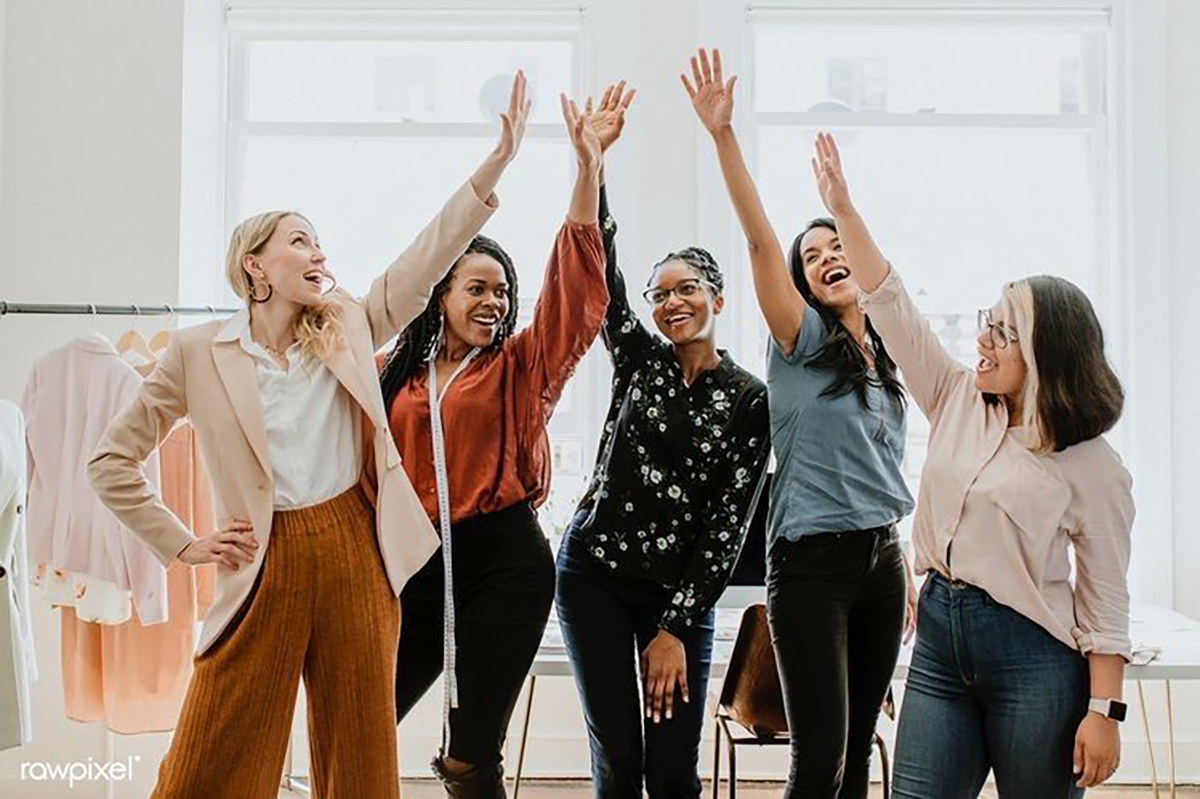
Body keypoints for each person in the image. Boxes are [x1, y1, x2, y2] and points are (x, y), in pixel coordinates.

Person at [86, 71, 531, 799]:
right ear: (254, 265)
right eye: (300, 241)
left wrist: (496, 163)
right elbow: (111, 460)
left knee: (359, 755)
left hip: (355, 548)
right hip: (260, 557)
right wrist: (183, 541)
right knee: (210, 754)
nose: (319, 253)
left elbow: (425, 259)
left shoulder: (350, 325)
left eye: (321, 242)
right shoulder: (198, 351)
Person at [811, 129, 1134, 798]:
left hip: (1034, 659)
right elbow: (890, 304)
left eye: (1001, 332)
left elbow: (1104, 597)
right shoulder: (957, 395)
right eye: (987, 321)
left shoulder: (1091, 463)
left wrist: (1104, 713)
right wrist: (843, 207)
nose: (981, 339)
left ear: (1046, 352)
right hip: (938, 640)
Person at [683, 48, 916, 799]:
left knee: (855, 764)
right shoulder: (802, 342)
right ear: (803, 282)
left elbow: (882, 471)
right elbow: (758, 242)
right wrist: (722, 135)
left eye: (835, 246)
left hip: (884, 562)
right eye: (811, 256)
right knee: (818, 762)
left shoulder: (885, 353)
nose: (825, 258)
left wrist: (905, 559)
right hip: (810, 567)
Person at [378, 90, 607, 798]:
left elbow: (572, 292)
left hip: (504, 561)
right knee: (364, 714)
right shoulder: (394, 373)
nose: (494, 303)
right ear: (440, 293)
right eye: (477, 288)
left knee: (469, 752)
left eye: (503, 293)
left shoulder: (522, 366)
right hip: (415, 560)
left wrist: (586, 169)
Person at [554, 81, 771, 799]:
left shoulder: (747, 400)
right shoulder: (639, 358)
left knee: (672, 770)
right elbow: (601, 273)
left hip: (680, 594)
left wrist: (676, 625)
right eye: (660, 294)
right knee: (618, 760)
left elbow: (726, 528)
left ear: (717, 297)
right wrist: (597, 165)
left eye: (687, 289)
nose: (671, 302)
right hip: (594, 574)